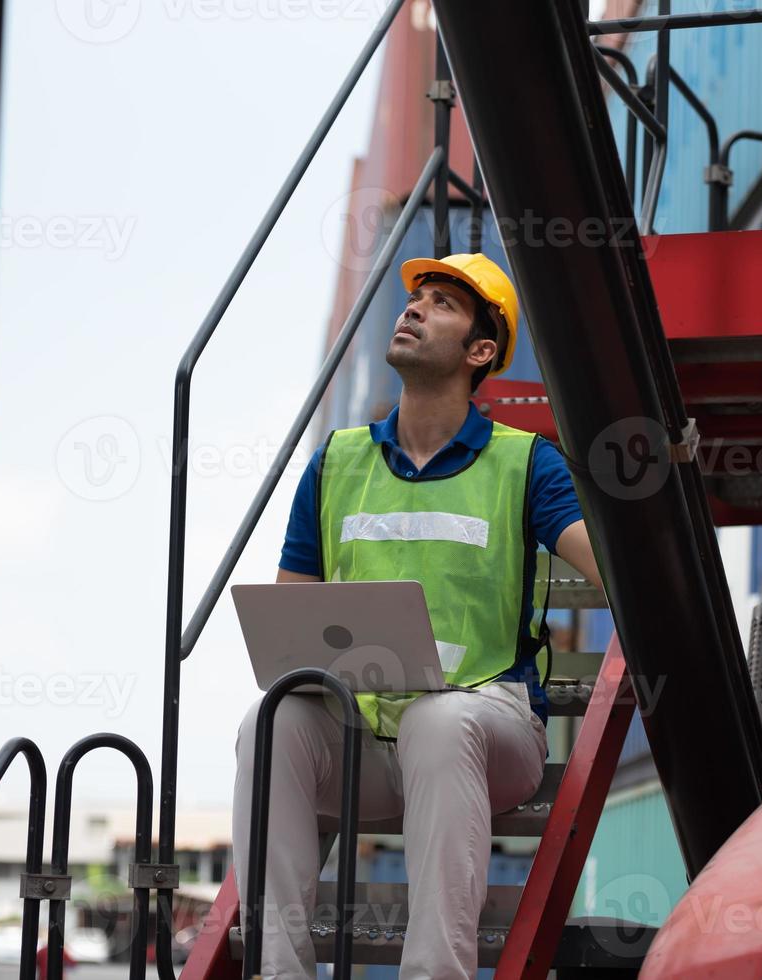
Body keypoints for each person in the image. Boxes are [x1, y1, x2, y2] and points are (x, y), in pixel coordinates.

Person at [232, 252, 603, 979]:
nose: (414, 308)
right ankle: (276, 971)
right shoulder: (335, 463)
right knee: (270, 718)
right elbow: (291, 614)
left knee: (439, 721)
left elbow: (611, 573)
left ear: (480, 351)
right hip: (365, 745)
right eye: (416, 298)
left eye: (441, 304)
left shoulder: (526, 462)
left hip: (487, 731)